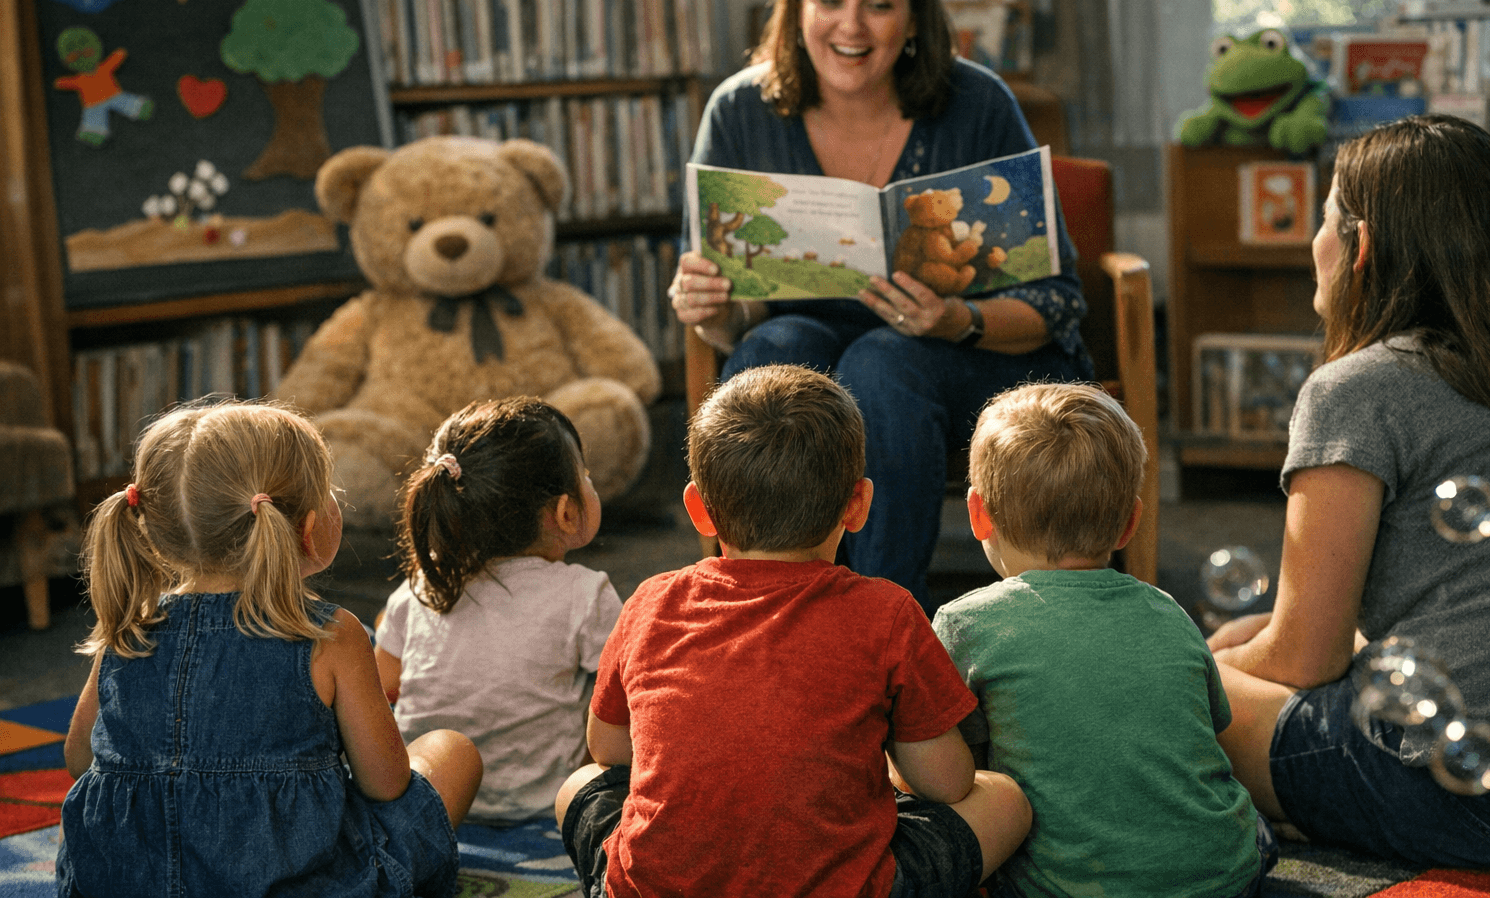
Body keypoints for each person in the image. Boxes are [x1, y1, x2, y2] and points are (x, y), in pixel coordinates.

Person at [667, 0, 1093, 610]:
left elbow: (1059, 299)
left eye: (879, 5)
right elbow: (728, 323)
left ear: (915, 17)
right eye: (829, 0)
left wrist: (957, 317)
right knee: (775, 344)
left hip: (977, 353)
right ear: (796, 8)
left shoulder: (977, 102)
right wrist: (712, 307)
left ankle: (882, 623)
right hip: (810, 343)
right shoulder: (739, 109)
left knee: (881, 362)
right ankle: (752, 614)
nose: (851, 27)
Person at [555, 364, 1031, 898]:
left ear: (698, 509)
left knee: (578, 785)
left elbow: (609, 751)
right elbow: (948, 784)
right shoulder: (888, 611)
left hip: (651, 888)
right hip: (848, 887)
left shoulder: (650, 601)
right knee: (1004, 799)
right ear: (859, 505)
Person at [1208, 114, 1490, 867]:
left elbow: (1304, 660)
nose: (1312, 244)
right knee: (1237, 644)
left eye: (1325, 219)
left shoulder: (1356, 390)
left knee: (1173, 687)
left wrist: (1200, 665)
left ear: (1364, 247)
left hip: (1468, 798)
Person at [56, 401, 482, 898]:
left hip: (126, 884)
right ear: (308, 527)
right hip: (302, 884)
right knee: (452, 752)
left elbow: (79, 759)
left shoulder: (128, 626)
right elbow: (386, 784)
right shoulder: (332, 634)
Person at [932, 383, 1276, 897]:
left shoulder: (964, 625)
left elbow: (950, 765)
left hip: (1065, 888)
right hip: (1224, 878)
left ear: (977, 514)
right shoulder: (1169, 611)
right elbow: (1207, 729)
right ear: (1130, 523)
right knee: (1255, 832)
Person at [374, 397, 623, 824]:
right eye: (586, 476)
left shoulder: (418, 590)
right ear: (566, 512)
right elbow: (634, 701)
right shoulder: (586, 594)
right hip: (546, 803)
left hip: (436, 800)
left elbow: (380, 692)